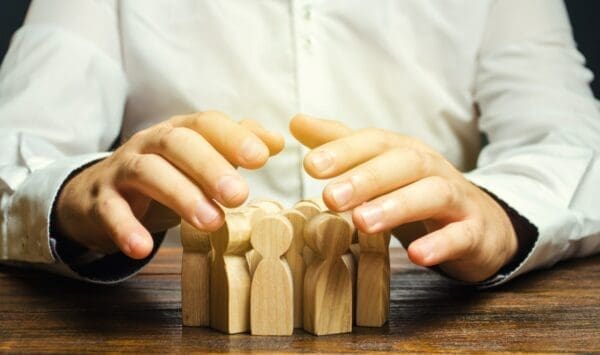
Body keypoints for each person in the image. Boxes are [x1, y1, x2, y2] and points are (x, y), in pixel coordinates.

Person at [0, 0, 598, 286]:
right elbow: (12, 150)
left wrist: (501, 216)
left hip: (417, 304)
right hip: (181, 313)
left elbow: (576, 143)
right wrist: (75, 194)